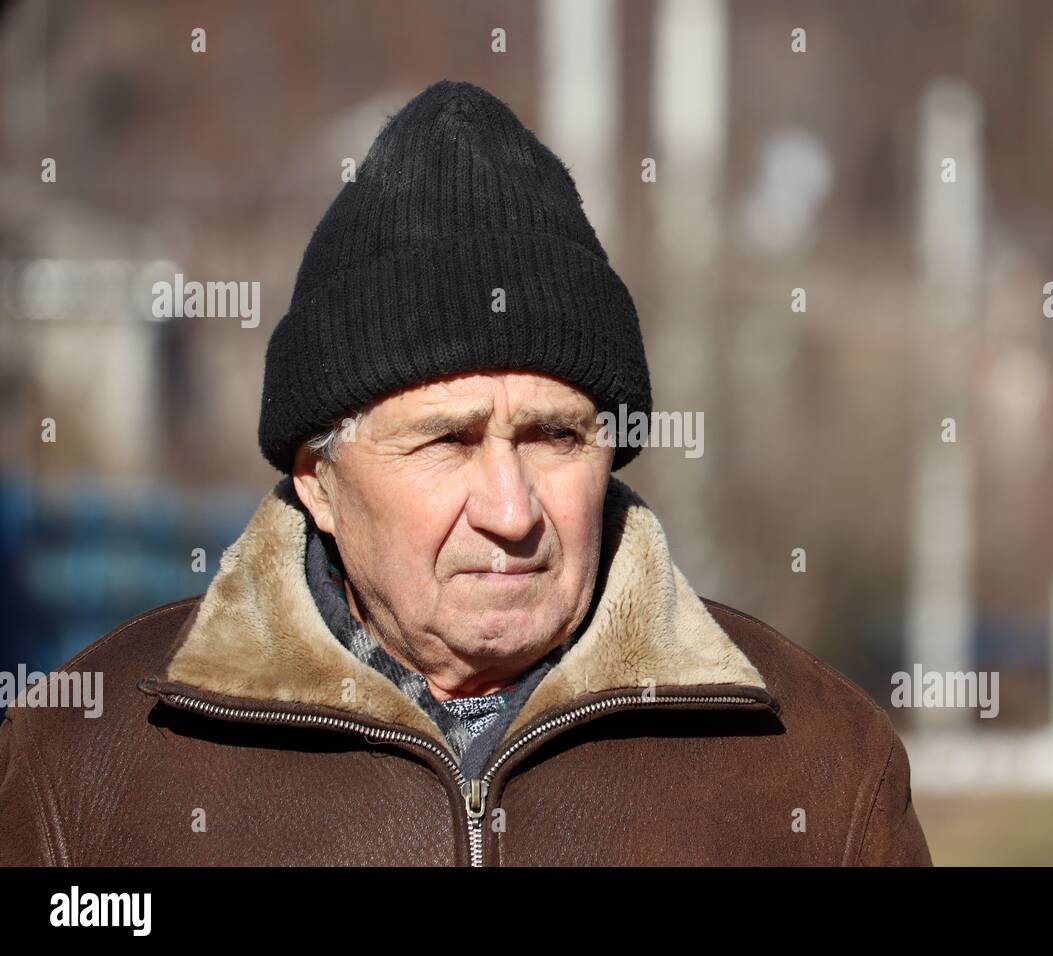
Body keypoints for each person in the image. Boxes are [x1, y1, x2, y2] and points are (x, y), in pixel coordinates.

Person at [0, 79, 930, 866]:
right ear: (318, 477)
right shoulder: (85, 768)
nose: (511, 509)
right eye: (446, 441)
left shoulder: (817, 767)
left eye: (555, 437)